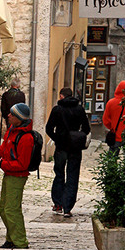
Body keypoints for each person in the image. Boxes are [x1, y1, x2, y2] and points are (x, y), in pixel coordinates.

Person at [0, 102, 33, 248]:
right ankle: (11, 239)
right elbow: (5, 145)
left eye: (12, 114)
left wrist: (2, 164)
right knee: (4, 208)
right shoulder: (12, 130)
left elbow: (22, 164)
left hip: (17, 176)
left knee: (11, 209)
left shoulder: (26, 138)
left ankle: (20, 242)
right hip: (9, 173)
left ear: (19, 118)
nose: (8, 115)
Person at [46, 87, 90, 217]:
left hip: (61, 147)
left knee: (59, 174)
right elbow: (86, 128)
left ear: (61, 96)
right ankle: (67, 207)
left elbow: (49, 128)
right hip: (75, 147)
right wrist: (77, 135)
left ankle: (58, 203)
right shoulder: (79, 109)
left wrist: (57, 139)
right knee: (72, 176)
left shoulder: (57, 110)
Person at [103, 80, 125, 155]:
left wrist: (112, 127)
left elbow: (105, 120)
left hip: (115, 135)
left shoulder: (111, 102)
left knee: (112, 158)